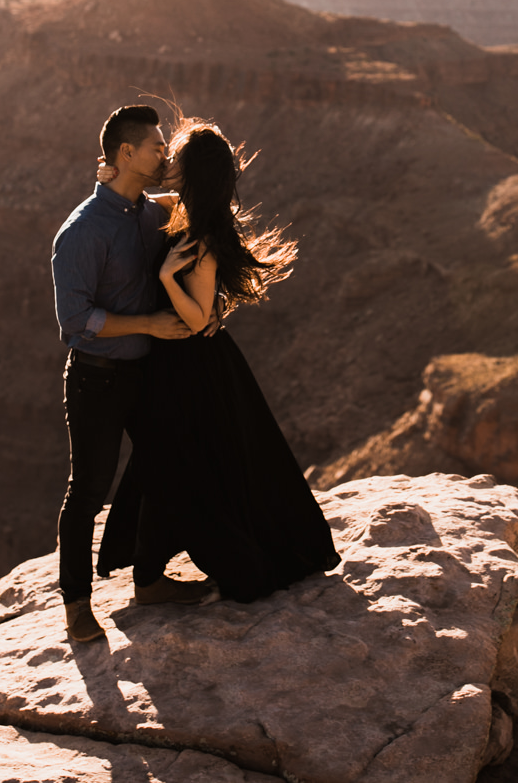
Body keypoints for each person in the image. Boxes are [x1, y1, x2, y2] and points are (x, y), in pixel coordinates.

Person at [93, 118, 340, 603]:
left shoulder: (202, 233)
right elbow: (144, 201)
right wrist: (110, 177)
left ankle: (157, 578)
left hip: (192, 366)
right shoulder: (184, 209)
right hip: (171, 359)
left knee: (171, 460)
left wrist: (167, 280)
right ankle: (149, 578)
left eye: (176, 158)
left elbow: (198, 314)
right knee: (167, 460)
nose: (167, 162)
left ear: (193, 172)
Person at [50, 104, 215, 644]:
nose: (163, 152)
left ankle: (149, 581)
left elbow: (198, 202)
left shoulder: (147, 213)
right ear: (126, 153)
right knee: (88, 490)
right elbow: (74, 320)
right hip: (97, 378)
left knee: (162, 469)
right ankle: (76, 605)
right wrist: (147, 320)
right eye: (155, 146)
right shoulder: (80, 232)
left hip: (149, 374)